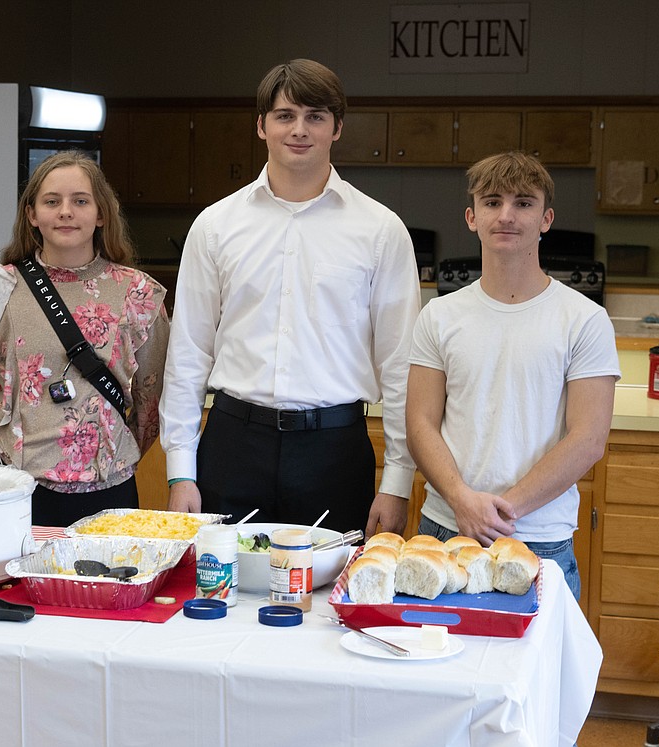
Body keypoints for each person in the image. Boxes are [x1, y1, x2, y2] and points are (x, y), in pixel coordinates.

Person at [159, 59, 421, 537]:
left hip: (335, 452)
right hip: (232, 445)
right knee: (219, 596)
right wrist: (181, 469)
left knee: (328, 606)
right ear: (261, 125)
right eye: (285, 116)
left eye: (315, 116)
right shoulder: (215, 227)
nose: (299, 130)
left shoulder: (381, 231)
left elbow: (400, 365)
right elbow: (188, 354)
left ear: (337, 128)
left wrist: (398, 481)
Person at [406, 151, 620, 599]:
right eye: (492, 201)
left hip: (538, 537)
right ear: (471, 216)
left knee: (539, 670)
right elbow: (420, 423)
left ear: (546, 219)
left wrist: (504, 512)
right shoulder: (439, 316)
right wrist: (463, 500)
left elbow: (587, 438)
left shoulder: (584, 319)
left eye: (523, 203)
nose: (506, 215)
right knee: (436, 665)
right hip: (446, 530)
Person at [0, 150, 170, 527]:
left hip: (109, 483)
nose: (65, 211)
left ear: (101, 214)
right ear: (32, 215)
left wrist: (111, 449)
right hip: (15, 486)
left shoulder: (139, 294)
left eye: (80, 201)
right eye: (52, 201)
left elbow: (151, 398)